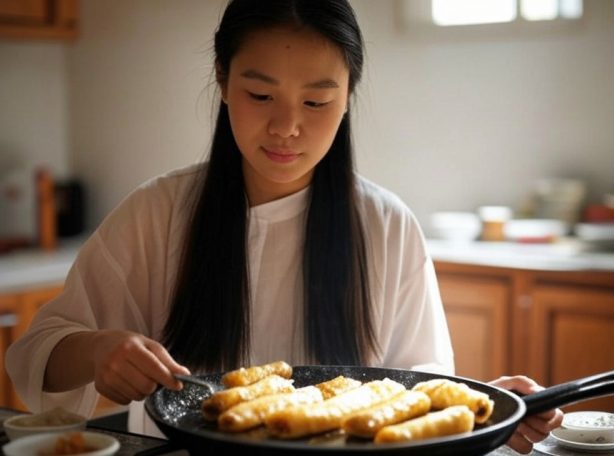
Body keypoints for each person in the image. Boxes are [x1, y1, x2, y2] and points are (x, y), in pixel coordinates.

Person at [6, 0, 562, 452]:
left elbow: (416, 387)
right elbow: (35, 354)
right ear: (222, 81)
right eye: (261, 95)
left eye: (317, 100)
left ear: (347, 98)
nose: (287, 127)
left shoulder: (386, 225)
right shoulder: (159, 212)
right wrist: (99, 348)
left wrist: (482, 402)